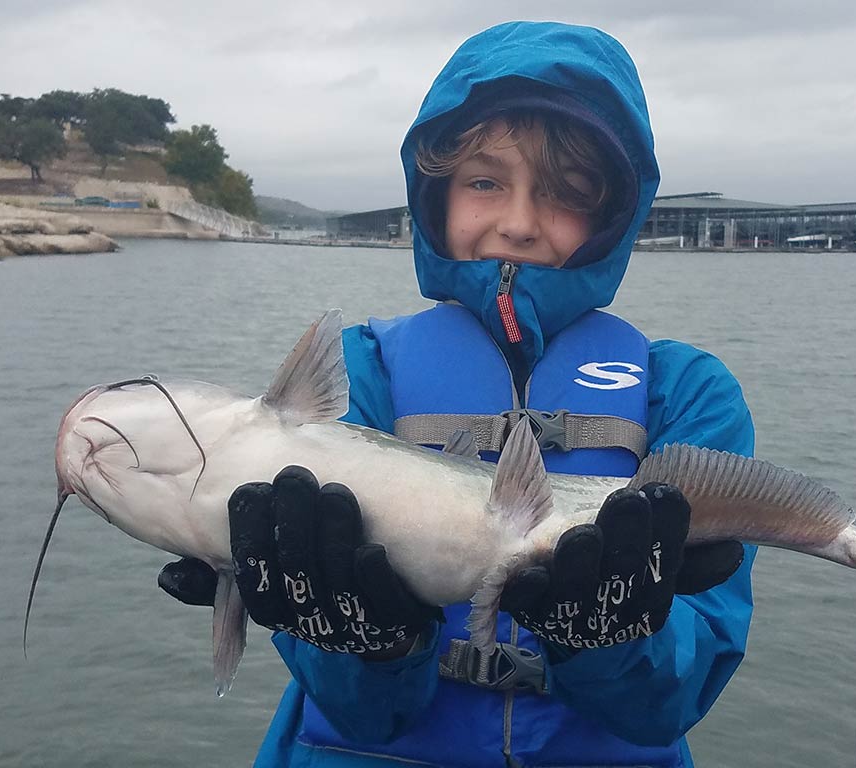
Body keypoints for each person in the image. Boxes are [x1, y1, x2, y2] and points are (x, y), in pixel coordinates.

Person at [160, 20, 756, 768]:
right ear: (434, 195)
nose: (517, 223)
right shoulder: (359, 371)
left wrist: (617, 637)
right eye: (483, 181)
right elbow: (363, 713)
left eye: (567, 194)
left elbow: (669, 703)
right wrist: (364, 642)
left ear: (613, 219)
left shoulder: (688, 394)